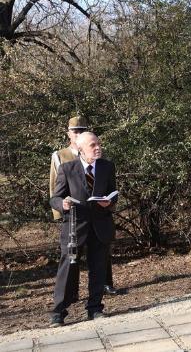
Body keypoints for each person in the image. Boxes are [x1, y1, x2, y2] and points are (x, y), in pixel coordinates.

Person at [48, 132, 118, 326]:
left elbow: (113, 192)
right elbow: (55, 198)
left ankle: (95, 308)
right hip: (74, 227)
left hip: (100, 225)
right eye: (92, 145)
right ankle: (58, 312)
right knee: (67, 270)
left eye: (98, 144)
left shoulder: (107, 167)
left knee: (98, 268)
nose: (98, 148)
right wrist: (63, 204)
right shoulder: (67, 169)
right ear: (81, 149)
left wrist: (110, 201)